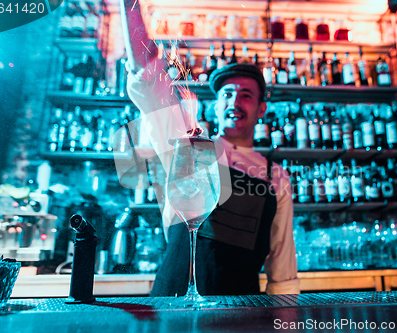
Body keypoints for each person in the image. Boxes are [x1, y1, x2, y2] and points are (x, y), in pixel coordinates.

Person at [120, 0, 299, 295]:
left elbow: (283, 269)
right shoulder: (188, 146)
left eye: (246, 95)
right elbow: (148, 79)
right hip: (173, 305)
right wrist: (129, 6)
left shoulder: (275, 176)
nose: (234, 101)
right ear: (215, 105)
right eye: (227, 94)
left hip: (242, 313)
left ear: (262, 109)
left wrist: (283, 319)